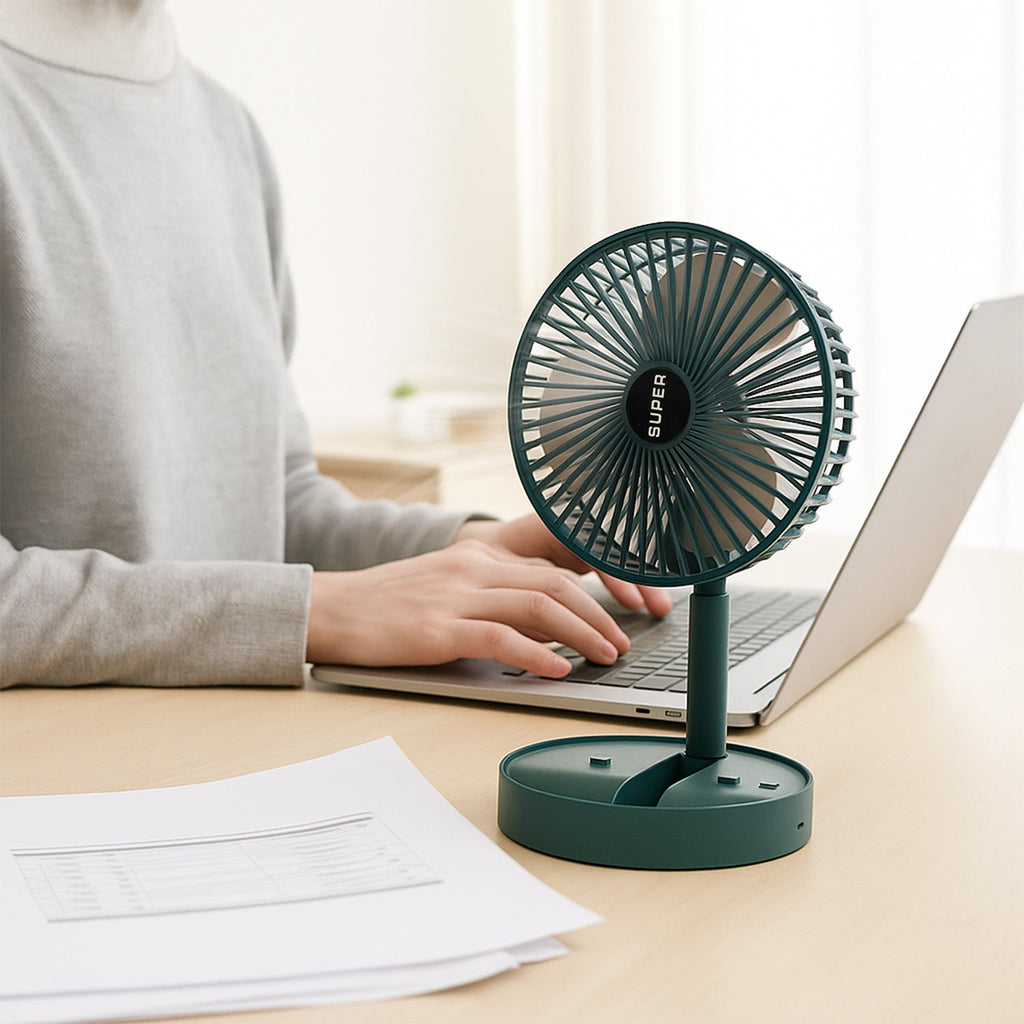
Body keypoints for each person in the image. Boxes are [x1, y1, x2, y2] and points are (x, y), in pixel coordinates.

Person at [0, 1, 669, 690]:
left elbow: (272, 502)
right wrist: (315, 611)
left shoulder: (224, 129)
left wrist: (466, 548)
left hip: (238, 731)